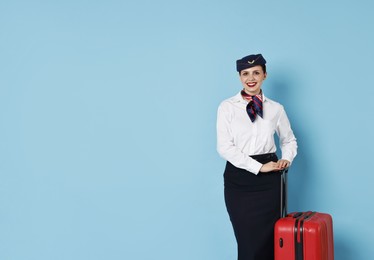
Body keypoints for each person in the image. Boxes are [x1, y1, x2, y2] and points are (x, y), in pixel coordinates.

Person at [216, 54, 297, 260]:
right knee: (247, 241)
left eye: (256, 73)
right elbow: (225, 147)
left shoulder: (276, 108)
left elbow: (289, 140)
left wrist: (286, 158)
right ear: (240, 77)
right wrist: (259, 167)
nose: (250, 78)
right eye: (245, 73)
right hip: (239, 178)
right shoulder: (227, 107)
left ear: (264, 75)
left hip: (270, 183)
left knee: (270, 241)